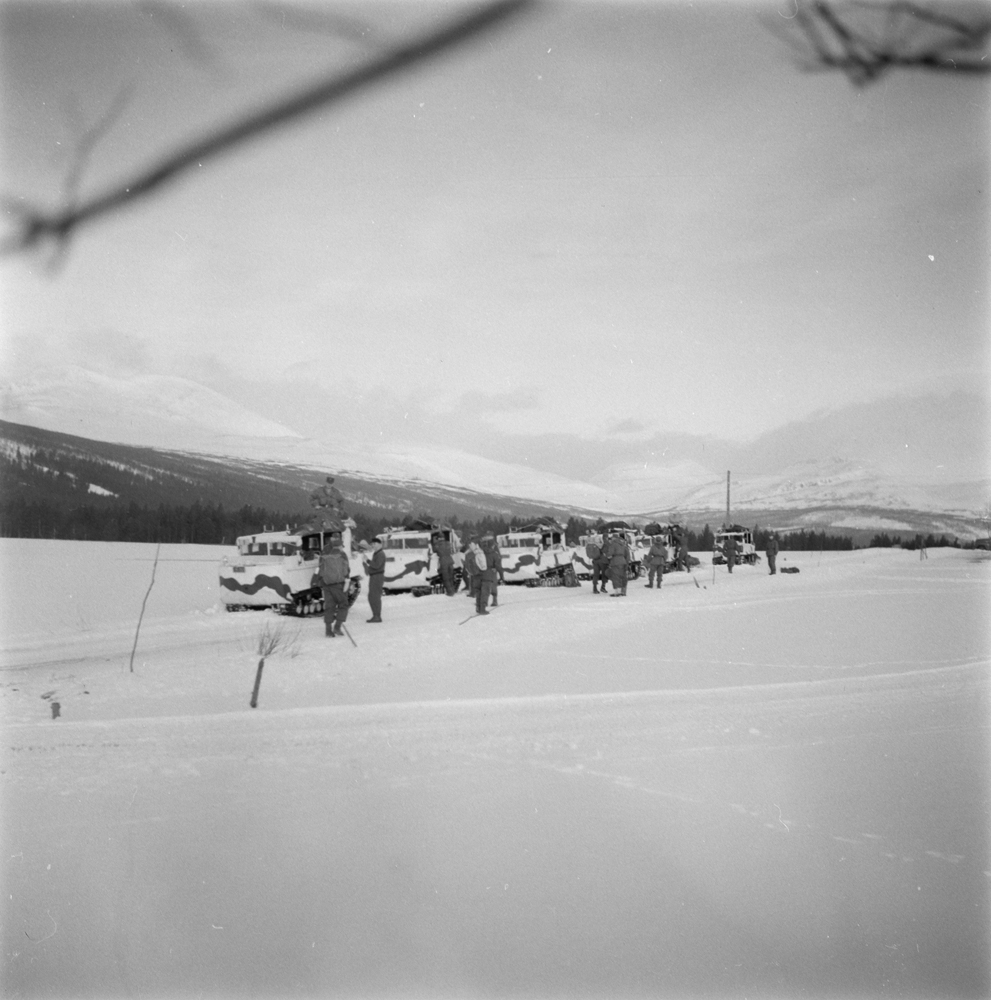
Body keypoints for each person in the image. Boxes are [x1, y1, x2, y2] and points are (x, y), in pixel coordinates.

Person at [318, 531, 351, 637]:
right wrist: (347, 578)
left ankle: (328, 631)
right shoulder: (342, 554)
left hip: (326, 584)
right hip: (338, 584)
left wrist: (321, 580)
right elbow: (346, 570)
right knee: (343, 605)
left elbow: (320, 568)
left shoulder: (324, 552)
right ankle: (337, 627)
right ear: (340, 544)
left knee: (329, 607)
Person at [363, 536, 385, 622]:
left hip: (377, 577)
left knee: (374, 596)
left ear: (379, 544)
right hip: (375, 576)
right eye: (372, 544)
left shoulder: (380, 554)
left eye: (374, 544)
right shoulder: (377, 553)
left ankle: (377, 616)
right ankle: (376, 615)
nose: (373, 545)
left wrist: (368, 561)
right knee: (372, 596)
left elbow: (376, 565)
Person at [469, 539, 491, 615]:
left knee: (478, 592)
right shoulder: (481, 553)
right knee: (485, 592)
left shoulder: (471, 553)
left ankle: (478, 608)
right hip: (484, 575)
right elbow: (484, 567)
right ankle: (482, 609)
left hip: (475, 575)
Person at [604, 531, 630, 596]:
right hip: (623, 561)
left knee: (615, 577)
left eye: (611, 538)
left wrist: (607, 555)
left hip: (615, 562)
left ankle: (617, 592)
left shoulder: (613, 544)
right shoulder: (623, 544)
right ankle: (622, 592)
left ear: (613, 538)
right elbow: (627, 554)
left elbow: (610, 554)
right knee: (622, 576)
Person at [481, 534, 503, 608]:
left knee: (484, 587)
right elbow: (498, 563)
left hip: (482, 571)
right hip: (492, 571)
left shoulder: (481, 552)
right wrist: (501, 575)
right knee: (493, 586)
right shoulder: (495, 552)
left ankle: (483, 602)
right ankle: (494, 600)